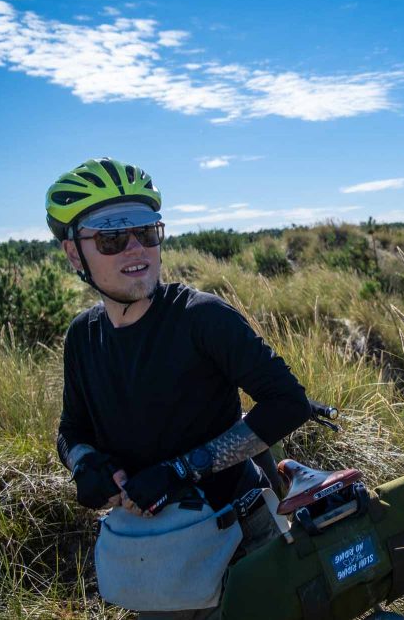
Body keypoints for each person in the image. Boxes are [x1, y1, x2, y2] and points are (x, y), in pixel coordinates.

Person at [46, 157, 311, 619]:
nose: (136, 249)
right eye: (111, 237)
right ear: (74, 254)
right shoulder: (82, 337)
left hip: (240, 541)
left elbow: (288, 404)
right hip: (157, 560)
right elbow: (72, 427)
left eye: (147, 231)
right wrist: (83, 463)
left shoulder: (201, 318)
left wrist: (180, 471)